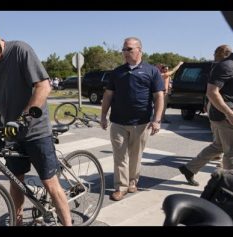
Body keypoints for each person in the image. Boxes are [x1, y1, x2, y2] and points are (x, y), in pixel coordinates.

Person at [0, 13, 72, 226]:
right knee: (15, 179)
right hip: (11, 131)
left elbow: (43, 86)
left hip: (35, 129)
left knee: (49, 183)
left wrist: (22, 118)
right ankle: (16, 221)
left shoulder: (20, 50)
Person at [100, 37, 164, 201]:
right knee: (120, 157)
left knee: (136, 156)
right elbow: (108, 95)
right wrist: (103, 116)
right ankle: (120, 187)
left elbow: (159, 97)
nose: (125, 52)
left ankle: (132, 181)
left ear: (139, 50)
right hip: (118, 122)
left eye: (129, 49)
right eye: (124, 49)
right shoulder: (117, 72)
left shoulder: (152, 71)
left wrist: (156, 120)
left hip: (141, 123)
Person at [178, 45, 233, 186]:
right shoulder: (226, 66)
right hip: (225, 114)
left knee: (218, 146)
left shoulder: (223, 65)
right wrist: (229, 113)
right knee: (230, 152)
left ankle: (189, 169)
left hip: (219, 112)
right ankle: (227, 187)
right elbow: (212, 92)